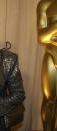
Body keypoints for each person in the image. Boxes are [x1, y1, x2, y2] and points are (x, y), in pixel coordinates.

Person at [37, 0, 57, 130]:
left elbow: (47, 35)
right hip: (52, 55)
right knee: (49, 100)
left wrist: (51, 31)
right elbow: (42, 37)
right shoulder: (45, 4)